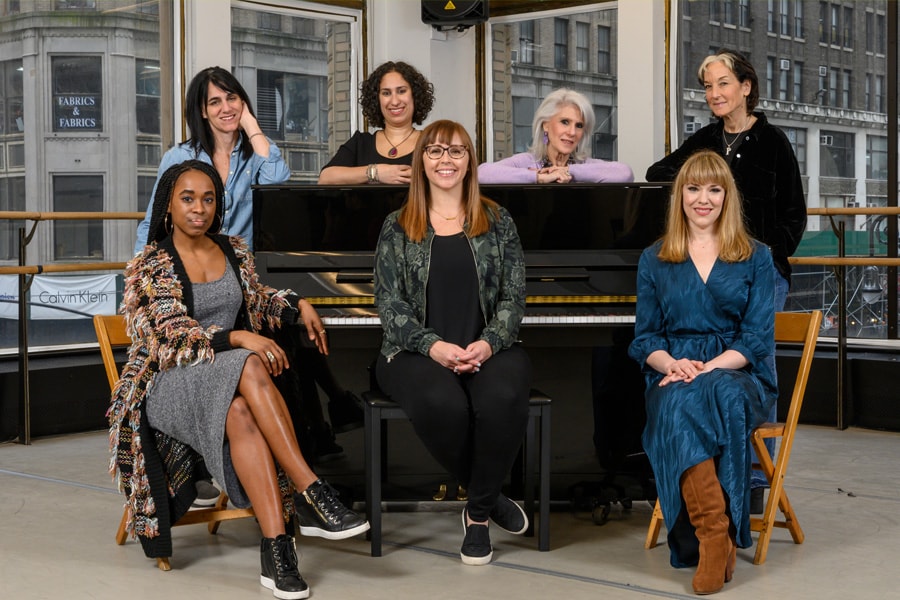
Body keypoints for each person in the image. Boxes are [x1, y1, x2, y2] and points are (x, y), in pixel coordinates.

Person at [108, 160, 369, 600]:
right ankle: (311, 489)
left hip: (225, 382)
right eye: (188, 198)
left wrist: (295, 305)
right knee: (248, 362)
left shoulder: (232, 249)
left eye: (208, 199)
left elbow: (257, 298)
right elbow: (173, 334)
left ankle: (277, 551)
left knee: (242, 410)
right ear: (168, 204)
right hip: (169, 383)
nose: (199, 209)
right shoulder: (151, 263)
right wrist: (238, 335)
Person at [645, 49, 807, 513]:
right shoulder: (705, 139)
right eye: (708, 87)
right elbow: (659, 175)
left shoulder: (773, 140)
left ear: (745, 87)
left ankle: (754, 480)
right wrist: (698, 183)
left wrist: (763, 255)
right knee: (703, 359)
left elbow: (793, 216)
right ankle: (707, 469)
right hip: (708, 269)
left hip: (758, 271)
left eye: (722, 84)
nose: (714, 94)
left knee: (756, 365)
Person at [373, 120, 532, 566]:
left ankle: (476, 516)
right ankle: (491, 497)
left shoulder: (498, 221)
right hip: (413, 352)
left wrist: (489, 342)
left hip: (489, 346)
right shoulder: (397, 226)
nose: (446, 160)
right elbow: (389, 305)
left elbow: (513, 297)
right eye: (436, 151)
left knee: (502, 395)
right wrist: (433, 346)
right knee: (443, 403)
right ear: (421, 160)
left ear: (470, 161)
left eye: (456, 152)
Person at [629, 150, 777, 595]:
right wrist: (672, 364)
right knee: (675, 398)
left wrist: (706, 367)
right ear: (680, 195)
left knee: (702, 395)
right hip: (673, 371)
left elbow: (754, 340)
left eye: (714, 189)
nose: (703, 199)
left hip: (737, 374)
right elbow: (646, 338)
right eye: (694, 188)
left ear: (727, 196)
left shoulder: (756, 256)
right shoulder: (655, 258)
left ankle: (713, 537)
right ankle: (716, 534)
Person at [134, 66, 291, 254]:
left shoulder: (260, 150)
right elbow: (154, 220)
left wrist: (250, 124)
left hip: (245, 271)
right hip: (193, 267)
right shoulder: (180, 157)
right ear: (203, 111)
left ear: (243, 103)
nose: (226, 108)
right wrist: (139, 271)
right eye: (215, 102)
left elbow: (276, 183)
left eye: (232, 98)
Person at [477, 88, 633, 184]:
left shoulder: (585, 165)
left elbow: (625, 173)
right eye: (565, 122)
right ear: (546, 124)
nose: (572, 132)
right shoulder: (527, 162)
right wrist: (539, 177)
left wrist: (566, 170)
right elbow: (482, 174)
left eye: (579, 125)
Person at [317, 61, 435, 185]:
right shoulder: (361, 143)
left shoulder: (432, 143)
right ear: (376, 100)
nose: (394, 101)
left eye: (401, 91)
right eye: (386, 93)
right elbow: (325, 178)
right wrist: (376, 172)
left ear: (415, 96)